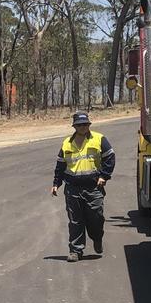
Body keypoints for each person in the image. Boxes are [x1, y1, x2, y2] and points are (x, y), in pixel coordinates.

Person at [51, 111, 115, 262]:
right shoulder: (67, 143)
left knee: (96, 218)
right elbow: (60, 165)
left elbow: (110, 158)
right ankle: (75, 250)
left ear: (89, 125)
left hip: (93, 188)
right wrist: (56, 184)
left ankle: (97, 238)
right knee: (75, 221)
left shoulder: (99, 139)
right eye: (80, 125)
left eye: (85, 124)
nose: (83, 127)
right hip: (72, 188)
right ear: (74, 126)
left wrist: (104, 176)